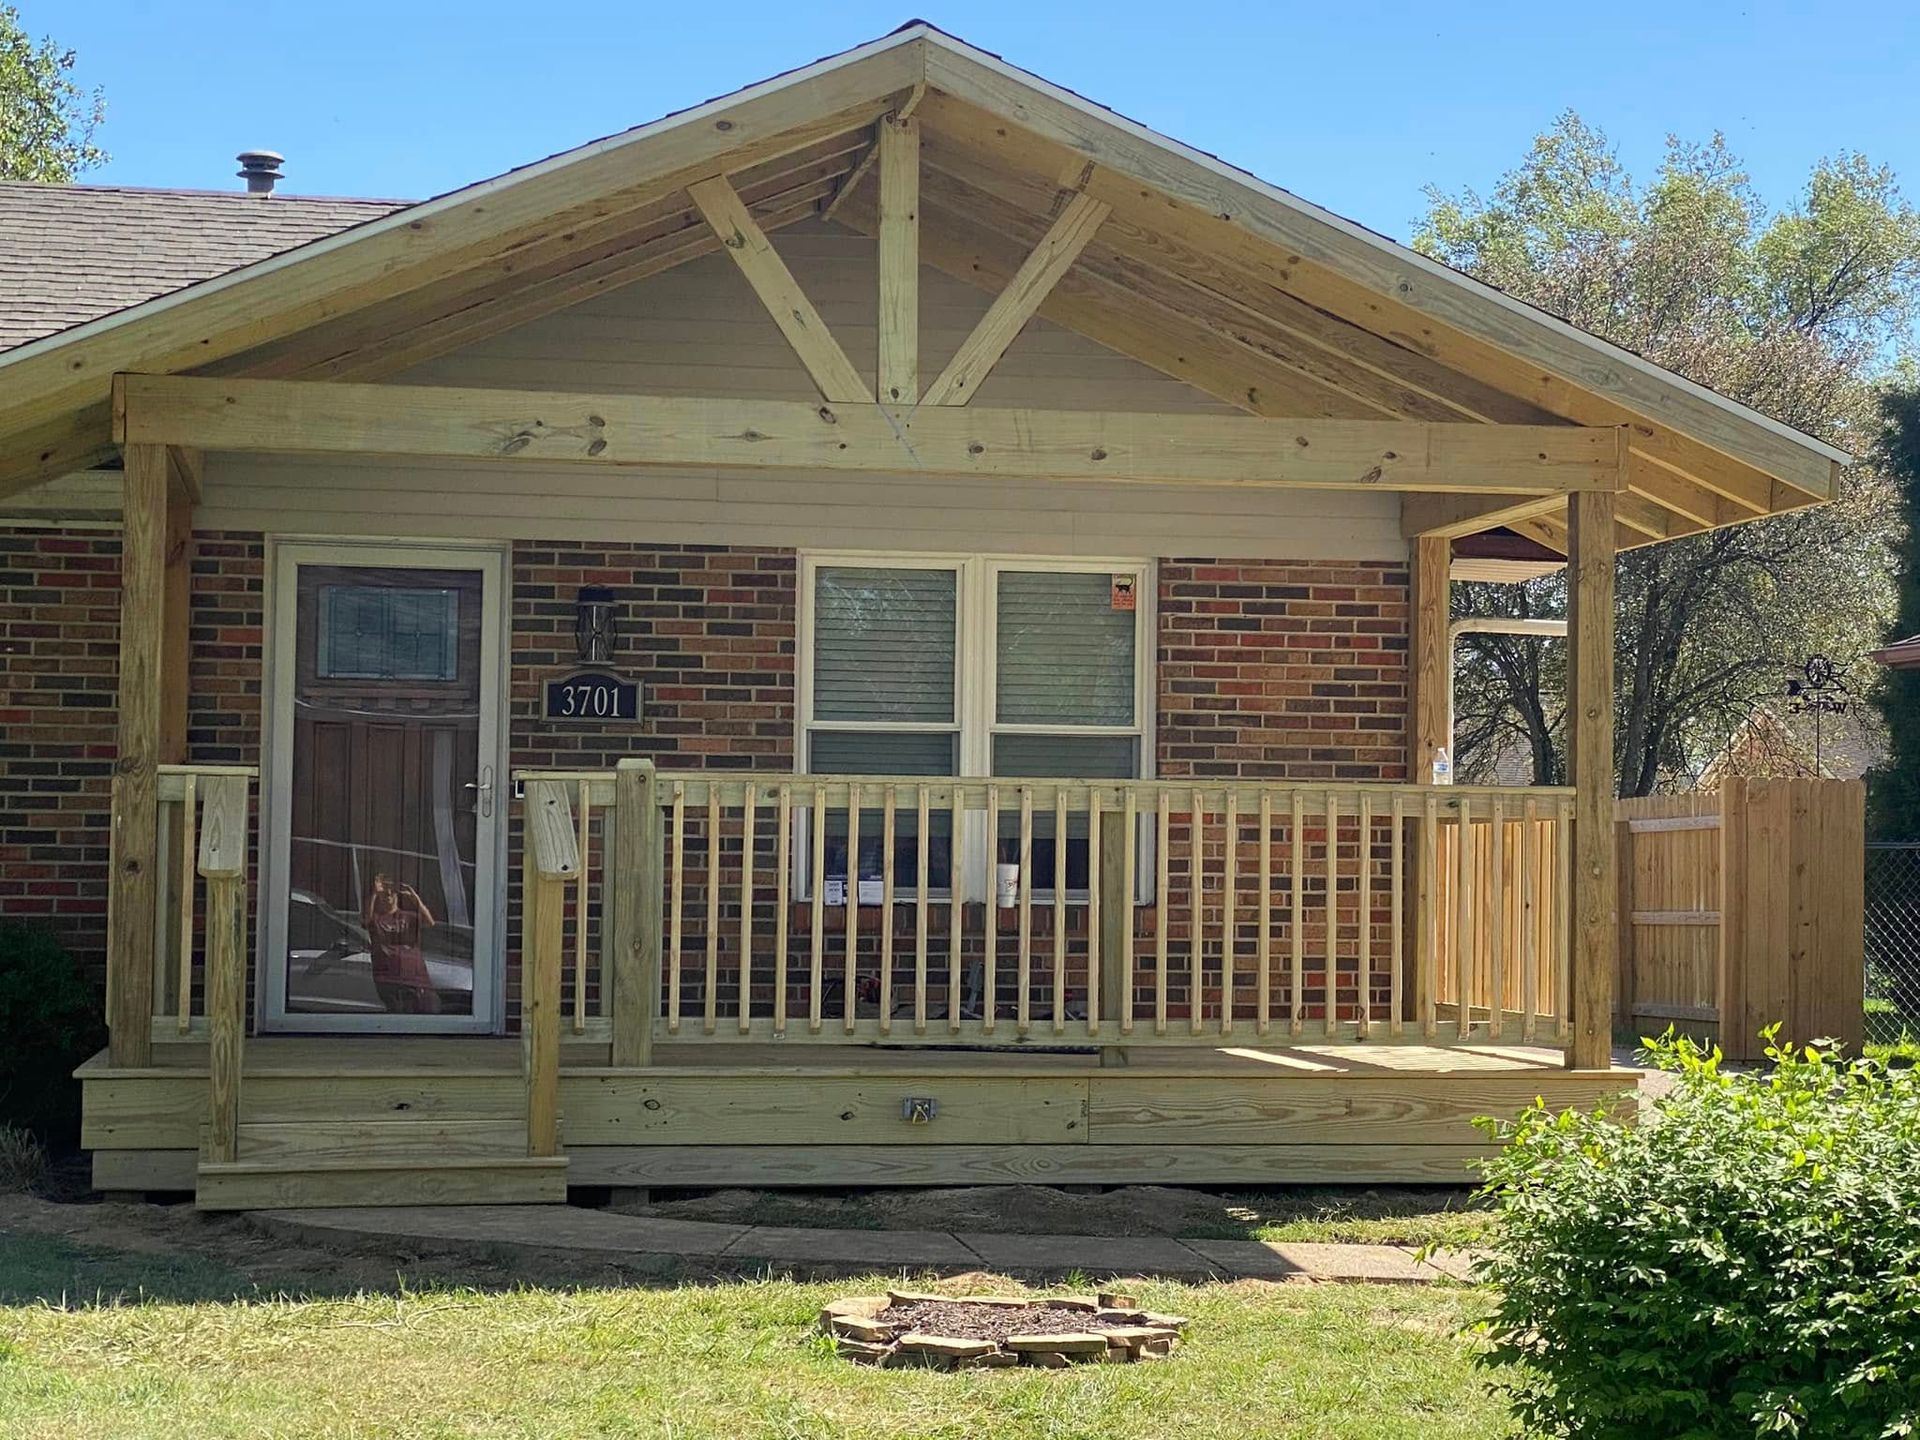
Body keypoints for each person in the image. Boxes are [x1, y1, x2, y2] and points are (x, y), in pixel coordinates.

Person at [363, 873, 440, 1014]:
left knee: (428, 1013)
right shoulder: (377, 919)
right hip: (389, 979)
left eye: (392, 892)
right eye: (385, 893)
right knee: (399, 1017)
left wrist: (415, 899)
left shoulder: (408, 917)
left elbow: (429, 922)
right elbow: (366, 921)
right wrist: (374, 894)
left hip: (416, 979)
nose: (389, 895)